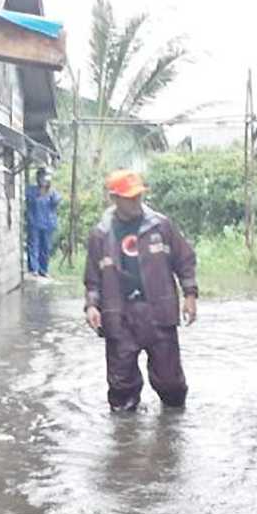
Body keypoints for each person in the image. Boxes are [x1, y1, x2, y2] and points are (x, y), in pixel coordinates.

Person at [84, 170, 198, 412]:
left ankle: (172, 434)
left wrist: (190, 296)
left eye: (139, 196)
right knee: (121, 389)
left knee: (172, 385)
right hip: (119, 316)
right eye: (130, 198)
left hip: (158, 312)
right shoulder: (101, 234)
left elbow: (184, 260)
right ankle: (126, 441)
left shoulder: (161, 226)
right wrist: (92, 306)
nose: (136, 202)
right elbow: (93, 278)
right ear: (114, 198)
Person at [26, 167, 62, 277]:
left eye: (46, 178)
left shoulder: (52, 192)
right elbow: (29, 201)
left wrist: (48, 191)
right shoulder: (31, 190)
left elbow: (56, 202)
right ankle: (34, 269)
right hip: (34, 223)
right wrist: (39, 193)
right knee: (34, 246)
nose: (44, 180)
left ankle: (44, 269)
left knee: (46, 248)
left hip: (48, 225)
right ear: (38, 178)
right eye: (42, 178)